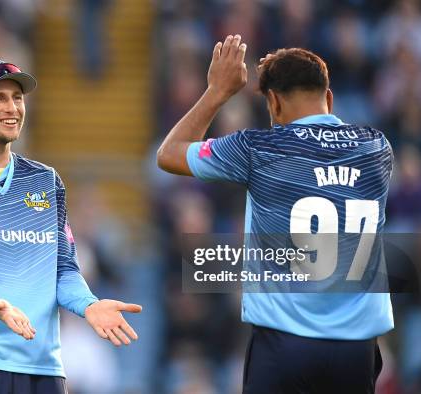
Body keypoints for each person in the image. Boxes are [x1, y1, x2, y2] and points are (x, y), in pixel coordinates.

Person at [157, 35, 392, 394]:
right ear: (328, 98)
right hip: (355, 351)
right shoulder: (376, 148)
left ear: (274, 102)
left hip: (284, 346)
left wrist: (218, 92)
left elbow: (169, 153)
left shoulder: (258, 148)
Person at [0, 59, 142, 394]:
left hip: (40, 362)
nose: (12, 107)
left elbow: (63, 268)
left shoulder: (46, 181)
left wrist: (88, 304)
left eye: (17, 98)